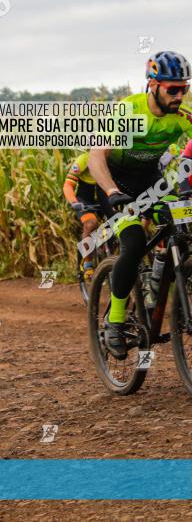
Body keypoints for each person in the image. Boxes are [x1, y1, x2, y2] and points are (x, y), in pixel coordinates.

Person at [89, 50, 192, 359]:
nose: (179, 95)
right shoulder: (128, 112)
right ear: (152, 85)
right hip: (116, 186)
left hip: (152, 182)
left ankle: (162, 271)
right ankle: (115, 321)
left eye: (183, 88)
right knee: (133, 243)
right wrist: (110, 191)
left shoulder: (181, 117)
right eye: (172, 89)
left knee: (184, 227)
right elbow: (96, 155)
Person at [63, 152, 100, 279]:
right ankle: (87, 263)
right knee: (91, 224)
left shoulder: (111, 158)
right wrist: (74, 202)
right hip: (85, 200)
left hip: (104, 199)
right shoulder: (83, 160)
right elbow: (68, 185)